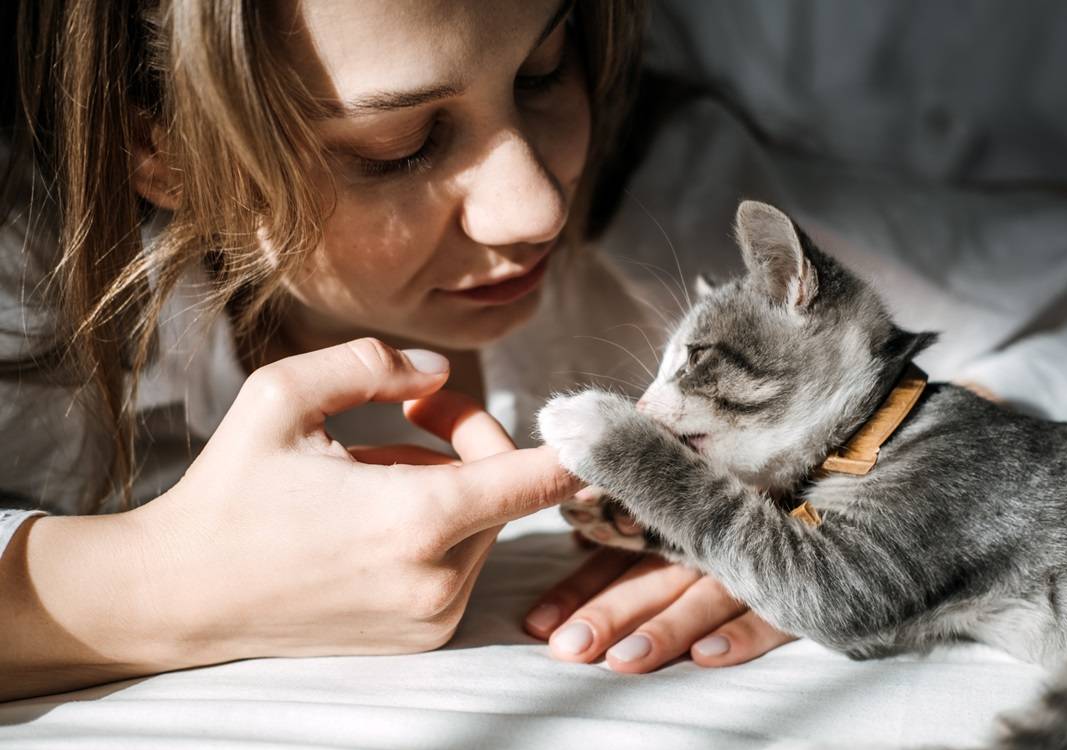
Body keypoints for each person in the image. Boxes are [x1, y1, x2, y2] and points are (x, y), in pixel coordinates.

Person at [0, 0, 794, 703]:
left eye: (543, 73)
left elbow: (905, 382)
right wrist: (176, 581)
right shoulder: (33, 292)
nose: (537, 208)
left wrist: (811, 525)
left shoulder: (694, 216)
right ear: (162, 151)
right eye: (398, 146)